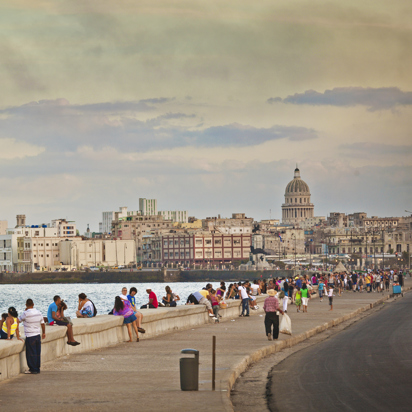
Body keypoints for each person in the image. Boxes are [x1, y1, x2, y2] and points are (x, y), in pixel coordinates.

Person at [17, 299, 45, 374]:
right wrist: (44, 333)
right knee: (37, 352)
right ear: (33, 304)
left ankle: (33, 369)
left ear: (26, 305)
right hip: (37, 335)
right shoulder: (38, 312)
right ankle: (37, 368)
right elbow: (42, 323)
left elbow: (18, 320)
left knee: (30, 353)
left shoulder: (25, 313)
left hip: (30, 335)